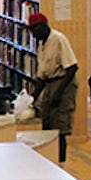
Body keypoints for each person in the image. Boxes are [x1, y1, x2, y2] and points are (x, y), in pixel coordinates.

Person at [25, 12, 79, 163]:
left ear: (42, 27)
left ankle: (61, 163)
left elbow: (72, 67)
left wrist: (58, 93)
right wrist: (31, 99)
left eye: (33, 31)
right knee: (47, 123)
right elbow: (42, 76)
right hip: (50, 84)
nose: (33, 35)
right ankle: (50, 161)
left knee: (60, 128)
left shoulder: (58, 39)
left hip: (63, 83)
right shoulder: (42, 44)